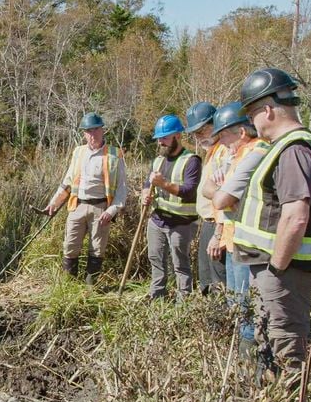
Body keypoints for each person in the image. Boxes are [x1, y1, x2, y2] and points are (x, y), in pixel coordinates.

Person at [233, 68, 311, 378]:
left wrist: (276, 267)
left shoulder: (294, 151)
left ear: (268, 109)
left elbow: (295, 217)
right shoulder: (285, 149)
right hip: (280, 270)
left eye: (252, 113)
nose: (252, 122)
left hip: (286, 271)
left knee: (287, 348)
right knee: (270, 343)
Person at [202, 101, 269, 358]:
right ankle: (237, 353)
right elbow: (208, 188)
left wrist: (222, 193)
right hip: (232, 239)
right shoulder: (234, 155)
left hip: (248, 242)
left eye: (225, 136)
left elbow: (220, 199)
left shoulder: (256, 153)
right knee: (235, 301)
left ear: (241, 133)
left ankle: (247, 356)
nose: (222, 143)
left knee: (245, 305)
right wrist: (222, 191)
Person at [45, 112, 127, 285]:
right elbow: (68, 181)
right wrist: (54, 202)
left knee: (97, 249)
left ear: (102, 130)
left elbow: (122, 189)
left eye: (96, 130)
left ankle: (91, 289)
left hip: (101, 208)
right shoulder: (78, 152)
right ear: (84, 133)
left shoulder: (114, 155)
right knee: (70, 246)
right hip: (78, 206)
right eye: (88, 131)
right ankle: (69, 286)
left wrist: (111, 211)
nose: (92, 135)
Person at [142, 115, 201, 300]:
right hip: (158, 220)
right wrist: (145, 193)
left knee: (180, 265)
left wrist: (164, 184)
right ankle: (157, 298)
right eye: (159, 138)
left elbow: (189, 191)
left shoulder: (192, 161)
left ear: (177, 136)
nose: (161, 142)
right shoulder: (158, 160)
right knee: (156, 260)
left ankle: (183, 303)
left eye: (165, 138)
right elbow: (147, 182)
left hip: (181, 223)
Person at [185, 102, 228, 295]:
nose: (199, 136)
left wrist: (219, 235)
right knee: (207, 279)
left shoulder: (224, 152)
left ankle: (222, 322)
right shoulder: (212, 152)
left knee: (218, 280)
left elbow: (227, 198)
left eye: (203, 130)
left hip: (218, 224)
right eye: (195, 133)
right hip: (208, 222)